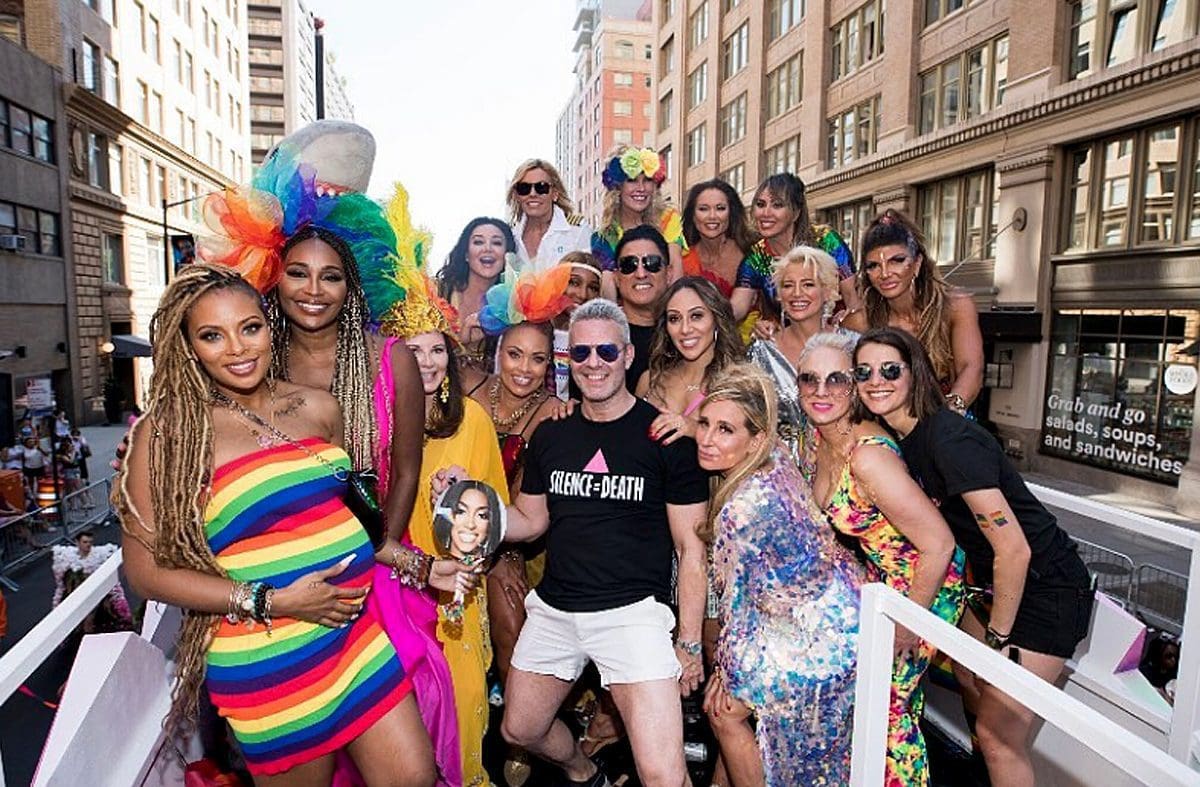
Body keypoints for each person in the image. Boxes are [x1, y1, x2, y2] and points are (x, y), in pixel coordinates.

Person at [113, 264, 436, 785]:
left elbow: (350, 519)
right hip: (270, 657)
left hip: (354, 635)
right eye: (212, 336)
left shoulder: (318, 408)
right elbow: (146, 574)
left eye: (249, 327)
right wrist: (271, 600)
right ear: (189, 345)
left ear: (269, 324)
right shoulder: (171, 431)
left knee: (414, 776)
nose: (238, 348)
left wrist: (419, 565)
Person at [202, 168, 463, 785]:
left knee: (406, 717)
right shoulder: (253, 360)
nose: (313, 290)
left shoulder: (389, 357)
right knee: (305, 740)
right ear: (272, 276)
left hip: (373, 561)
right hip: (277, 583)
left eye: (331, 276)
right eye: (298, 273)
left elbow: (404, 471)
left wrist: (384, 551)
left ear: (353, 286)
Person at [855, 327, 1094, 787]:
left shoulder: (949, 440)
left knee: (999, 733)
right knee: (969, 683)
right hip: (989, 583)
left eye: (890, 370)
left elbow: (1014, 547)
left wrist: (998, 642)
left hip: (1046, 590)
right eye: (863, 372)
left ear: (915, 373)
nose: (875, 380)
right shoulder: (903, 435)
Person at [495, 298, 709, 787]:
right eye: (582, 353)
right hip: (556, 609)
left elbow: (691, 550)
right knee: (519, 728)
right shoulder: (553, 433)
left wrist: (690, 643)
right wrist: (472, 504)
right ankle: (584, 771)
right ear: (569, 360)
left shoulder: (666, 437)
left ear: (628, 356)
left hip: (632, 615)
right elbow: (529, 521)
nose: (594, 363)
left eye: (607, 352)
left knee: (663, 775)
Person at [798, 332, 964, 786]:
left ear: (853, 386)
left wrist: (909, 624)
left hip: (924, 587)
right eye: (808, 380)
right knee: (864, 704)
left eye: (836, 379)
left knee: (887, 707)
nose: (821, 391)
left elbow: (939, 544)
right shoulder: (820, 441)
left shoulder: (869, 458)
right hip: (880, 585)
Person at [695, 364, 861, 786]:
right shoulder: (774, 459)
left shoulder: (743, 509)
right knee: (731, 697)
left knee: (724, 711)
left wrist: (725, 675)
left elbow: (737, 610)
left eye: (725, 430)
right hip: (830, 611)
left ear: (755, 440)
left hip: (822, 639)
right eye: (704, 424)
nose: (707, 439)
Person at [843, 209, 984, 414]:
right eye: (873, 265)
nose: (885, 273)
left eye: (897, 260)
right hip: (887, 432)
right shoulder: (859, 321)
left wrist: (948, 418)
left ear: (917, 263)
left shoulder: (955, 307)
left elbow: (971, 369)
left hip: (948, 422)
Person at [747, 245, 854, 468]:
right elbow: (748, 418)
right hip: (780, 472)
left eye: (808, 284)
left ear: (827, 291)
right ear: (779, 294)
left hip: (844, 465)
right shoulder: (761, 352)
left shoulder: (853, 346)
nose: (797, 294)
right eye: (788, 285)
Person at [731, 173, 859, 333]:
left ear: (796, 212)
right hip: (788, 344)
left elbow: (853, 301)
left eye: (777, 205)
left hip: (835, 339)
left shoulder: (826, 240)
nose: (765, 213)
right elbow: (737, 308)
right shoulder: (756, 256)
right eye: (760, 204)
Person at [591, 145, 686, 286]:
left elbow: (675, 272)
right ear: (618, 186)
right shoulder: (604, 237)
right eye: (632, 180)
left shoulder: (667, 219)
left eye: (647, 180)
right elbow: (608, 287)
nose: (641, 188)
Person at [435, 217, 518, 371]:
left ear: (508, 256)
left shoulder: (514, 308)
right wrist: (461, 343)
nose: (488, 249)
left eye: (497, 243)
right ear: (466, 255)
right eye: (478, 242)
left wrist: (474, 348)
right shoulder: (437, 293)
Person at [613, 225, 672, 394]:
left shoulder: (686, 334)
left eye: (651, 263)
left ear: (669, 274)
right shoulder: (602, 335)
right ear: (616, 278)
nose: (640, 273)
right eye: (629, 265)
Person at [507, 159, 592, 271]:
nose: (533, 194)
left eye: (541, 187)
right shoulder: (510, 235)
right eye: (524, 188)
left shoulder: (577, 230)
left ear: (555, 194)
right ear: (517, 195)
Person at [679, 179, 754, 300]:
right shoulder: (682, 259)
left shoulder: (751, 251)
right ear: (692, 215)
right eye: (703, 209)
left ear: (731, 213)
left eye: (720, 208)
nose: (712, 216)